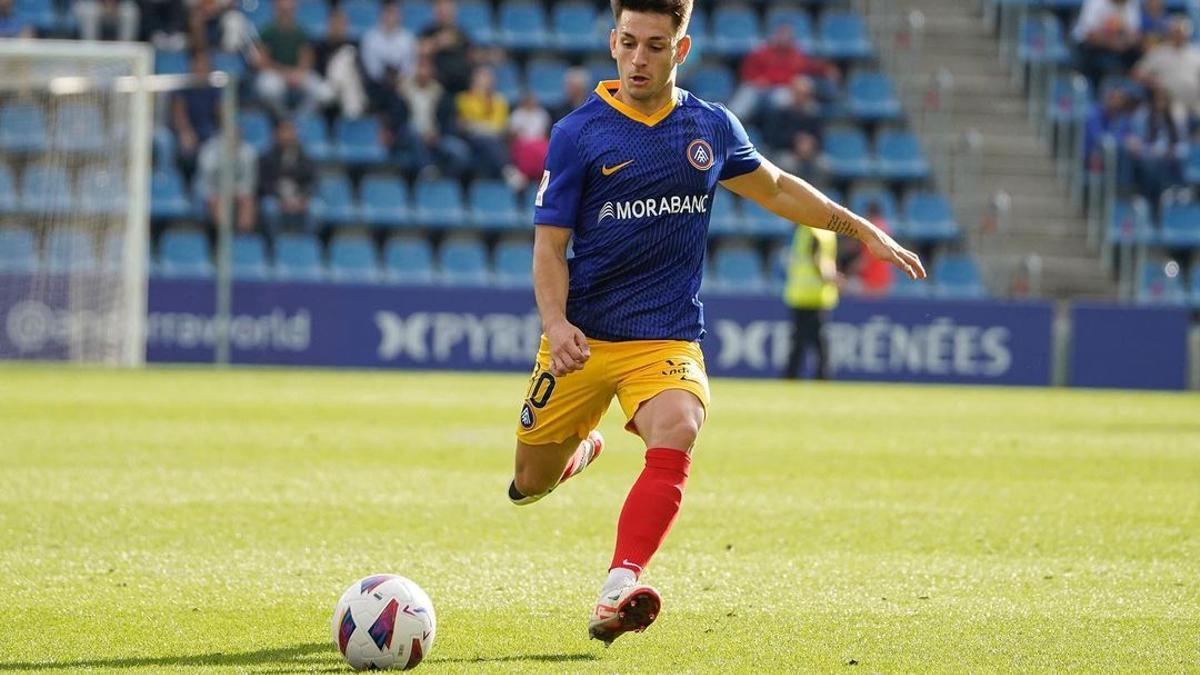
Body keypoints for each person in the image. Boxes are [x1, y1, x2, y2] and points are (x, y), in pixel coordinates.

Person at [505, 0, 924, 647]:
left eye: (655, 46)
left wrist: (859, 228)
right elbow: (549, 246)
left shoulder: (709, 127)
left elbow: (777, 187)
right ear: (613, 42)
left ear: (682, 49)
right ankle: (580, 451)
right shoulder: (579, 133)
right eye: (628, 43)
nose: (638, 59)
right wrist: (556, 323)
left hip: (665, 338)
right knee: (527, 485)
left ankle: (619, 585)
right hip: (582, 341)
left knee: (680, 424)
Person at [782, 225, 838, 380]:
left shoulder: (803, 231)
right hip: (816, 296)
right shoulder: (822, 233)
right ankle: (822, 377)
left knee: (799, 341)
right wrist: (830, 278)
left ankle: (790, 376)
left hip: (800, 295)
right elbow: (817, 259)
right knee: (819, 342)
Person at [1133, 16, 1200, 123]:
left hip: (1195, 100)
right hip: (1172, 101)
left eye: (1182, 33)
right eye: (1176, 32)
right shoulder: (1159, 52)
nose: (1179, 35)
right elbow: (1137, 72)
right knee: (1178, 119)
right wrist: (1152, 81)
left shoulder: (1196, 54)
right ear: (1170, 33)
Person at [258, 118, 316, 232]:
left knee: (317, 209)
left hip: (299, 198)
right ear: (276, 134)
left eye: (291, 131)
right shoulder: (267, 157)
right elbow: (264, 184)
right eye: (284, 131)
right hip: (276, 198)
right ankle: (277, 240)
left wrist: (302, 199)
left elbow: (311, 181)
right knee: (269, 208)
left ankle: (305, 240)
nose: (288, 135)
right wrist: (281, 200)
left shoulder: (305, 157)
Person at [1071, 0, 1142, 88]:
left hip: (1120, 45)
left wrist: (1123, 42)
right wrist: (1112, 43)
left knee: (1136, 53)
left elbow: (1135, 35)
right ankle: (1089, 88)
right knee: (1088, 56)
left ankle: (1127, 90)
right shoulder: (1095, 2)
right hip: (1090, 45)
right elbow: (1089, 35)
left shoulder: (1131, 3)